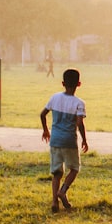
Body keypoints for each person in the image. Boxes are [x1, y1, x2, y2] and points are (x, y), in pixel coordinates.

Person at [40, 68, 89, 213]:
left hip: (55, 140)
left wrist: (45, 130)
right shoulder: (79, 103)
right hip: (69, 141)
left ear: (62, 83)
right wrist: (84, 140)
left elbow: (42, 115)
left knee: (57, 173)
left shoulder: (54, 98)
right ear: (79, 84)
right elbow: (80, 123)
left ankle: (55, 202)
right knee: (74, 169)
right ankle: (63, 191)